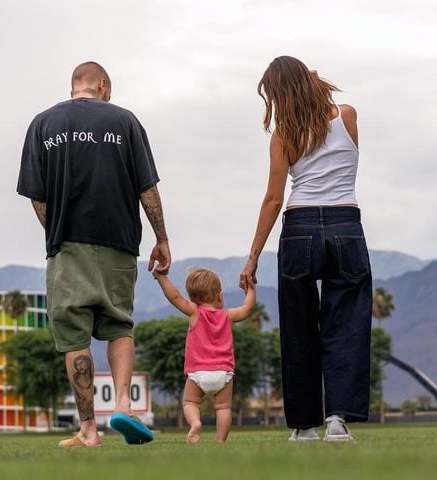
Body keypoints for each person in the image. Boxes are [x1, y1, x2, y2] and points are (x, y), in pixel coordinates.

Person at [17, 61, 171, 448]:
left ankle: (88, 429)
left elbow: (36, 197)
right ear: (102, 85)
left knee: (74, 338)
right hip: (120, 242)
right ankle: (123, 406)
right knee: (119, 326)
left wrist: (57, 231)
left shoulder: (42, 124)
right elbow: (147, 189)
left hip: (67, 246)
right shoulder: (126, 121)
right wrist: (162, 238)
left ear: (75, 86)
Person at [239, 56, 372, 442]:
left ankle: (304, 426)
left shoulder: (284, 135)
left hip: (299, 229)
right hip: (346, 226)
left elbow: (273, 199)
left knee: (298, 328)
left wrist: (253, 257)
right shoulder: (347, 115)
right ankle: (338, 421)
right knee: (346, 326)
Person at [153, 267, 256, 443]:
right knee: (223, 408)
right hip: (223, 373)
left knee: (190, 403)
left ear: (193, 298)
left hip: (198, 373)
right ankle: (220, 441)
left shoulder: (195, 312)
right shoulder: (227, 315)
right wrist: (251, 289)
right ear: (219, 296)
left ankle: (195, 423)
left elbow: (175, 297)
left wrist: (161, 277)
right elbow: (247, 309)